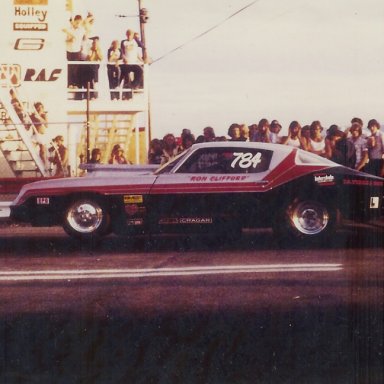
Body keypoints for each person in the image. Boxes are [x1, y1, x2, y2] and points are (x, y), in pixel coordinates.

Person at [63, 15, 87, 88]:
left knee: (76, 68)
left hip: (77, 50)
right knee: (69, 67)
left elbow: (79, 38)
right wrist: (68, 39)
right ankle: (69, 84)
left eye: (79, 23)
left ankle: (75, 84)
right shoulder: (69, 28)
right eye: (76, 22)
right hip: (69, 50)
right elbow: (64, 39)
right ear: (74, 21)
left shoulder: (82, 30)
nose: (77, 24)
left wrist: (68, 34)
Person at [120, 29, 143, 99]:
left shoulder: (135, 42)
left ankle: (133, 85)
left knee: (140, 71)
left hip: (134, 63)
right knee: (126, 78)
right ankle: (126, 96)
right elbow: (121, 52)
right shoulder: (124, 42)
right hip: (126, 64)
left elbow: (142, 46)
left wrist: (142, 60)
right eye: (128, 34)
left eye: (130, 34)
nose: (129, 36)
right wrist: (124, 58)